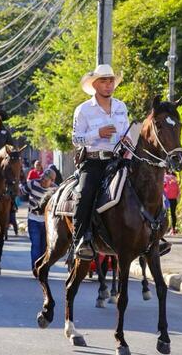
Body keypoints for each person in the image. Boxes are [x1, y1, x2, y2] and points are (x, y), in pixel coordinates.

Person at [71, 64, 131, 260]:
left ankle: (152, 234)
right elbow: (76, 139)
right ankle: (81, 239)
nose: (108, 85)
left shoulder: (121, 107)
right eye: (104, 81)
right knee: (85, 194)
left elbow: (127, 131)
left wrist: (128, 139)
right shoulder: (83, 110)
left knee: (144, 184)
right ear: (95, 85)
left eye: (111, 81)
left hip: (118, 159)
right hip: (94, 161)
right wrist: (98, 133)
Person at [25, 168, 57, 270]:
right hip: (33, 220)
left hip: (47, 223)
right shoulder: (32, 184)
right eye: (42, 178)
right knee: (36, 245)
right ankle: (36, 268)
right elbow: (21, 191)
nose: (42, 180)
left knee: (45, 247)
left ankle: (43, 268)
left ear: (52, 181)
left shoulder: (56, 190)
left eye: (46, 180)